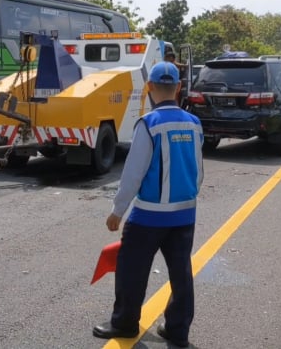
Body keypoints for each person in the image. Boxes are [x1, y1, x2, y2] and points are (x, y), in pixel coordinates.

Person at [92, 62, 204, 348]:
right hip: (184, 214)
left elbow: (133, 173)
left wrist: (118, 211)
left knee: (132, 271)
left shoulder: (149, 124)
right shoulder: (193, 123)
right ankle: (177, 330)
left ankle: (125, 324)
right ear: (178, 88)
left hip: (149, 217)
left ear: (150, 88)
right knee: (181, 273)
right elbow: (198, 171)